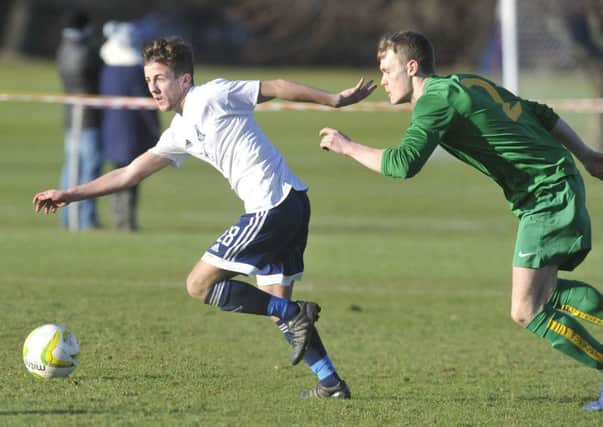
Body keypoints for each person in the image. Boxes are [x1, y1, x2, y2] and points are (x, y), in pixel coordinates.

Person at [34, 36, 376, 399]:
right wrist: (70, 194)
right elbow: (128, 174)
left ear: (184, 79)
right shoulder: (179, 132)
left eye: (160, 78)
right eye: (148, 80)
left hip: (272, 206)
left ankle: (295, 314)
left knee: (200, 285)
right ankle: (331, 384)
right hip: (291, 203)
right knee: (276, 305)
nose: (152, 87)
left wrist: (334, 100)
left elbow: (275, 86)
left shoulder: (212, 95)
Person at [318, 31, 603, 410]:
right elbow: (540, 113)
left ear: (412, 66)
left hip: (547, 195)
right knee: (544, 294)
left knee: (526, 309)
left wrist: (346, 146)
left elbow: (403, 165)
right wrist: (584, 154)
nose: (383, 80)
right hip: (554, 184)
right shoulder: (466, 81)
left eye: (387, 70)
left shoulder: (433, 103)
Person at [100, 21, 160, 231]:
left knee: (115, 173)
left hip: (110, 128)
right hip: (132, 130)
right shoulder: (136, 70)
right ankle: (126, 221)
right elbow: (144, 103)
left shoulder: (107, 67)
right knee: (131, 175)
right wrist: (154, 128)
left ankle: (118, 217)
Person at [56, 10, 103, 230]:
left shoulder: (63, 49)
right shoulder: (84, 52)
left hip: (71, 117)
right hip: (88, 118)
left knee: (71, 167)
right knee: (89, 170)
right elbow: (93, 77)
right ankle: (85, 220)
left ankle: (67, 218)